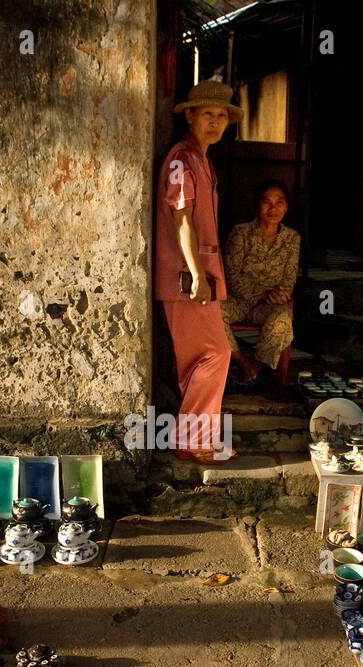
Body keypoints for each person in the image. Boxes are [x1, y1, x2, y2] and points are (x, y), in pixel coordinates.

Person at [154, 80, 241, 465]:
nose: (215, 122)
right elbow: (182, 219)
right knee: (216, 353)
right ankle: (190, 440)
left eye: (222, 115)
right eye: (208, 114)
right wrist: (198, 275)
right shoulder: (181, 157)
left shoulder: (202, 159)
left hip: (199, 276)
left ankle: (197, 439)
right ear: (190, 115)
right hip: (186, 280)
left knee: (200, 358)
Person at [222, 180, 300, 382]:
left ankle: (256, 365)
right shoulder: (241, 233)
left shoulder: (292, 238)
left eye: (279, 202)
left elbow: (289, 277)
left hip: (268, 305)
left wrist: (281, 294)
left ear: (286, 206)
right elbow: (231, 275)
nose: (273, 208)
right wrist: (261, 293)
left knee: (283, 318)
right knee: (211, 311)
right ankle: (240, 360)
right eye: (267, 202)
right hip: (238, 301)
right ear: (258, 205)